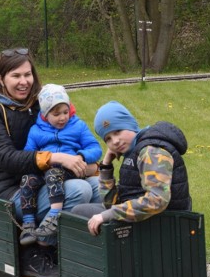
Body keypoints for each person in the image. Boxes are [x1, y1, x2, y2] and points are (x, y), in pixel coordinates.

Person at [0, 48, 100, 277]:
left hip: (51, 179)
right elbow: (5, 157)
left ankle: (81, 250)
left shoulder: (42, 105)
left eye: (28, 74)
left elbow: (71, 134)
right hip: (17, 190)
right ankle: (36, 251)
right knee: (79, 191)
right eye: (16, 76)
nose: (24, 81)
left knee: (95, 185)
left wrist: (85, 160)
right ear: (1, 79)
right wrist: (55, 158)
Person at [72, 101, 192, 236]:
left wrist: (108, 215)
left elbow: (157, 201)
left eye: (118, 131)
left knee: (82, 213)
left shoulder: (151, 152)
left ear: (130, 125)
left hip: (165, 225)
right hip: (148, 220)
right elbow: (110, 203)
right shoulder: (135, 151)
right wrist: (106, 166)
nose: (115, 141)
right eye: (108, 139)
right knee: (79, 211)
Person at [19, 84, 103, 245]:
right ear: (45, 114)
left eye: (66, 112)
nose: (63, 118)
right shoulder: (36, 131)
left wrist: (81, 156)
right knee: (27, 180)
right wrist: (38, 163)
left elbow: (95, 148)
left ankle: (54, 214)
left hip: (68, 168)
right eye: (56, 114)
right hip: (45, 167)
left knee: (54, 174)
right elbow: (28, 154)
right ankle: (28, 223)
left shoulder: (77, 126)